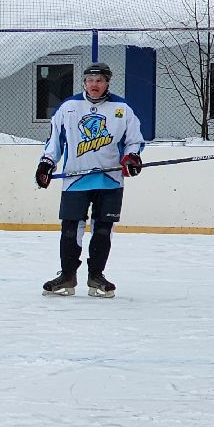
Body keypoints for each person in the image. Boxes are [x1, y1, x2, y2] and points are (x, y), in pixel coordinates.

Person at [35, 61, 144, 297]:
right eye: (90, 80)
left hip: (111, 180)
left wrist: (132, 157)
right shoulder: (69, 107)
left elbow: (134, 140)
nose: (94, 85)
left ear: (107, 83)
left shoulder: (122, 108)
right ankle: (67, 275)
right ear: (84, 82)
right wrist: (47, 162)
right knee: (70, 230)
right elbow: (55, 141)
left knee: (103, 230)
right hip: (76, 181)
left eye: (100, 81)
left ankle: (96, 276)